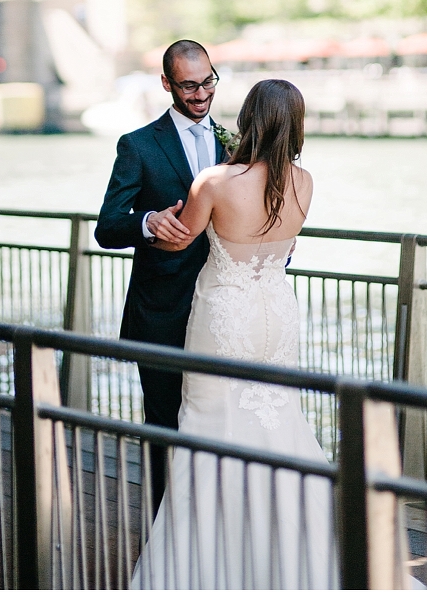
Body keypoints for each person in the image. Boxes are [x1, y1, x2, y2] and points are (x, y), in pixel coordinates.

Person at [131, 78, 335, 590]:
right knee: (279, 422)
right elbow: (284, 249)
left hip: (225, 316)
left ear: (249, 119)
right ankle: (295, 553)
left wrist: (157, 221)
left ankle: (211, 560)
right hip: (276, 312)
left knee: (210, 424)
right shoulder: (305, 182)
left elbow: (180, 242)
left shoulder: (215, 181)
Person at [94, 39, 226, 499]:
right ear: (167, 84)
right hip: (161, 314)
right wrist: (149, 223)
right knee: (164, 428)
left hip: (223, 311)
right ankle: (162, 532)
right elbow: (107, 227)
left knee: (218, 424)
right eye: (189, 85)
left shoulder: (236, 144)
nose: (201, 94)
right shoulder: (137, 146)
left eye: (208, 81)